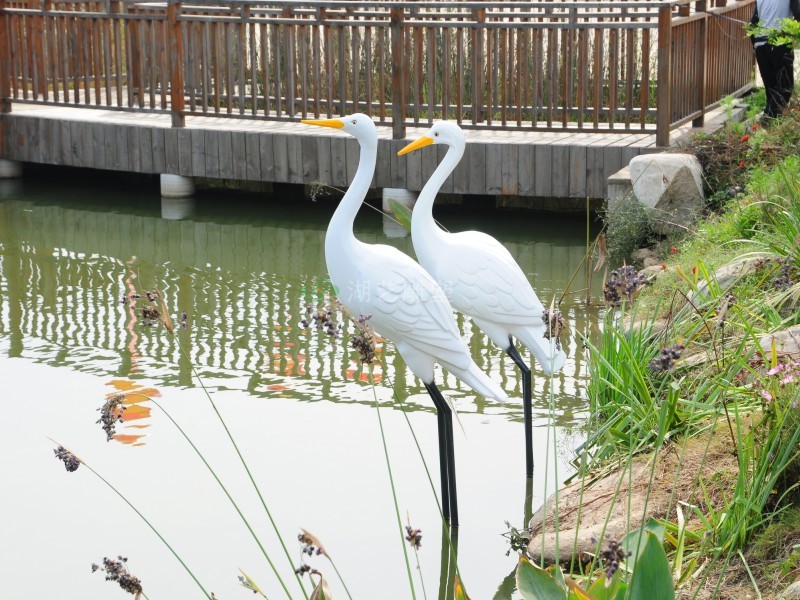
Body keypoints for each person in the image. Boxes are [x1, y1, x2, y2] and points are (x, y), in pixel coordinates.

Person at [750, 0, 800, 121]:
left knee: (772, 90)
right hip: (779, 43)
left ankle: (771, 126)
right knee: (785, 88)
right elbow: (798, 15)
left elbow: (753, 22)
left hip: (760, 44)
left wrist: (756, 46)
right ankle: (767, 120)